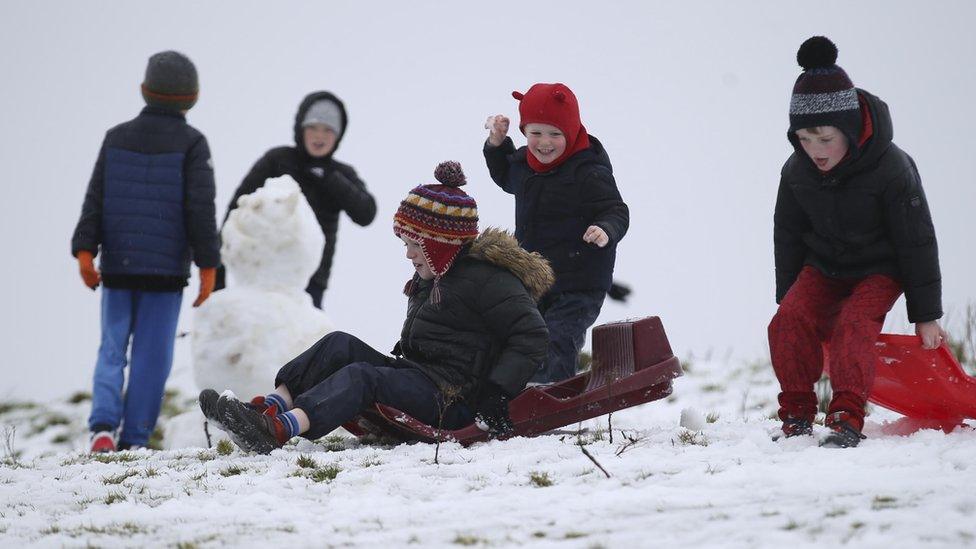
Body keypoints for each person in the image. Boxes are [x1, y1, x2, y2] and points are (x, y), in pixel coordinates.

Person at [199, 161, 553, 454]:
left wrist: (497, 392)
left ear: (441, 244)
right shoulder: (436, 275)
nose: (408, 253)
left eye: (416, 244)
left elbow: (532, 335)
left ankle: (277, 429)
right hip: (422, 378)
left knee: (362, 376)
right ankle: (265, 408)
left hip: (453, 399)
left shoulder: (489, 280)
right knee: (339, 344)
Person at [770, 36, 946, 448]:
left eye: (825, 139)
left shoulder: (892, 168)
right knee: (787, 320)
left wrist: (926, 313)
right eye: (804, 139)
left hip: (879, 268)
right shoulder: (797, 171)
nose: (814, 150)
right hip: (825, 266)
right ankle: (797, 412)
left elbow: (917, 241)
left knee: (853, 324)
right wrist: (791, 296)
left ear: (850, 129)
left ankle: (847, 414)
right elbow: (788, 234)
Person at [71, 51, 221, 453]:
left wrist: (85, 251)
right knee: (151, 360)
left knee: (112, 350)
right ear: (193, 98)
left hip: (118, 266)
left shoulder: (116, 137)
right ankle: (134, 438)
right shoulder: (193, 144)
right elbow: (199, 210)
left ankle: (102, 429)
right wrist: (209, 264)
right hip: (165, 274)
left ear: (144, 91)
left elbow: (95, 200)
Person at [483, 83, 629, 383]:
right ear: (525, 133)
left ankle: (553, 392)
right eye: (536, 133)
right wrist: (497, 144)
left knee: (558, 336)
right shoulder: (525, 165)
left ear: (571, 132)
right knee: (522, 334)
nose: (544, 143)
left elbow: (616, 210)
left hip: (580, 282)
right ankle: (513, 391)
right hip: (535, 277)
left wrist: (605, 229)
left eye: (555, 134)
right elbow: (504, 175)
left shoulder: (588, 170)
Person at [218, 91, 376, 308]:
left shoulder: (340, 174)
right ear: (300, 128)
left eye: (328, 129)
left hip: (312, 281)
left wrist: (329, 178)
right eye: (312, 127)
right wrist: (218, 271)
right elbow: (236, 211)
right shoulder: (277, 160)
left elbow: (366, 213)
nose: (319, 136)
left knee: (303, 340)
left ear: (338, 135)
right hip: (263, 274)